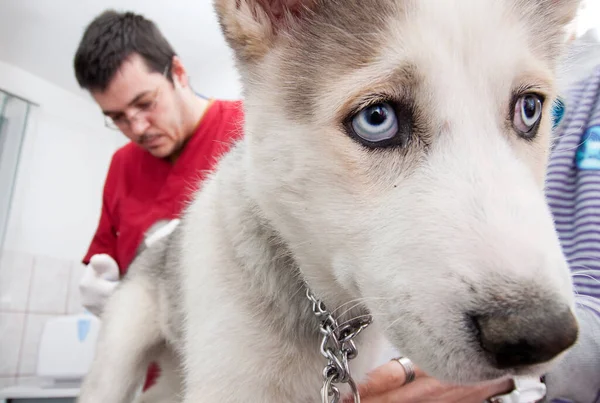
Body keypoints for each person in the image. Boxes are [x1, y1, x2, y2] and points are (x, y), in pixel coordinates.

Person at [73, 9, 244, 398]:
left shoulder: (247, 131)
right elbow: (109, 261)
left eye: (145, 103)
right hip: (154, 385)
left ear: (178, 73)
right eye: (117, 117)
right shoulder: (121, 167)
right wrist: (109, 292)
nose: (136, 128)